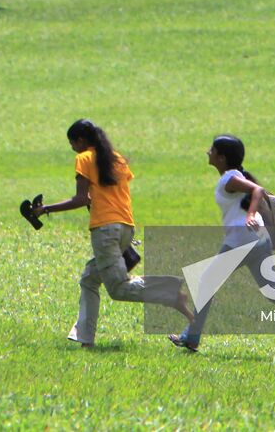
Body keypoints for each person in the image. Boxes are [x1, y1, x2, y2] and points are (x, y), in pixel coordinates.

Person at [34, 118, 195, 347]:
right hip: (126, 228)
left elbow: (81, 198)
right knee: (89, 279)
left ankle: (168, 290)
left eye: (72, 143)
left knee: (119, 288)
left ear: (80, 140)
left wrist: (45, 209)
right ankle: (85, 339)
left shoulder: (84, 158)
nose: (72, 148)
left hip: (105, 230)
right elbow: (106, 195)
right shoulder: (116, 159)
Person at [168, 135, 275, 356]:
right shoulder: (232, 176)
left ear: (222, 157)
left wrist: (251, 213)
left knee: (207, 281)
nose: (208, 152)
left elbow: (257, 190)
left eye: (212, 150)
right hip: (258, 239)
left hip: (241, 241)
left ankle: (192, 337)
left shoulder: (229, 178)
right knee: (273, 291)